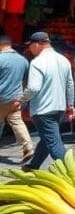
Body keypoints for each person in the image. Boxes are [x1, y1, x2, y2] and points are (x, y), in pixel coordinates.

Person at [16, 33, 74, 170]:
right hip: (59, 108)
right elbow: (70, 84)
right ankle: (33, 166)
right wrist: (70, 105)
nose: (30, 50)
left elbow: (33, 88)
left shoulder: (37, 62)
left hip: (43, 109)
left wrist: (21, 99)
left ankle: (70, 170)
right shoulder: (63, 60)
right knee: (46, 138)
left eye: (30, 46)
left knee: (53, 142)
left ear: (37, 44)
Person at [0, 34, 34, 162]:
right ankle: (28, 146)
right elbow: (26, 81)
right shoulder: (23, 60)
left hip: (1, 98)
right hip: (15, 99)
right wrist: (21, 98)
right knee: (17, 122)